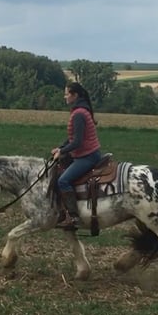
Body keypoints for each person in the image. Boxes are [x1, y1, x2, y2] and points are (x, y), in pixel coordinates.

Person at [50, 81, 102, 230]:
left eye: (67, 93)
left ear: (75, 95)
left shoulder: (79, 113)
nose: (64, 96)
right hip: (85, 153)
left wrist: (62, 152)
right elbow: (73, 138)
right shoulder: (80, 110)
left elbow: (77, 142)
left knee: (63, 181)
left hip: (88, 156)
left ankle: (73, 217)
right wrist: (60, 148)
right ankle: (62, 210)